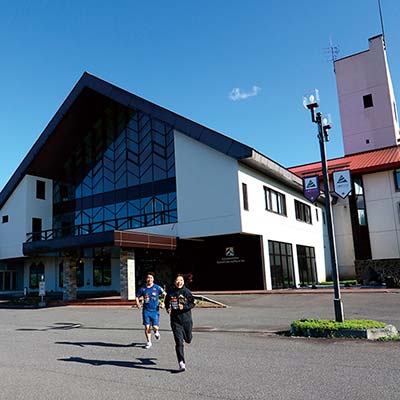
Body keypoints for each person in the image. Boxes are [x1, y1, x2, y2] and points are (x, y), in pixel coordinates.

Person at [165, 274, 195, 371]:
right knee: (179, 342)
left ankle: (189, 336)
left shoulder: (186, 292)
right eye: (177, 280)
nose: (179, 282)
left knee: (188, 339)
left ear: (183, 281)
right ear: (174, 282)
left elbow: (192, 303)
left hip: (186, 320)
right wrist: (167, 308)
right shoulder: (170, 292)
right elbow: (166, 302)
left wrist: (184, 307)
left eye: (181, 280)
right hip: (175, 321)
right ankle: (181, 362)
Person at [135, 272, 166, 349]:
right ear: (146, 279)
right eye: (148, 278)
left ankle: (156, 332)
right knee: (147, 327)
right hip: (146, 310)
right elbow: (137, 296)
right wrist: (138, 303)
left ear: (153, 279)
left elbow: (165, 294)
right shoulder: (143, 288)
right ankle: (149, 342)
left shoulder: (157, 288)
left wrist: (163, 303)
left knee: (155, 326)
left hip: (155, 310)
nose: (149, 279)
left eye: (151, 278)